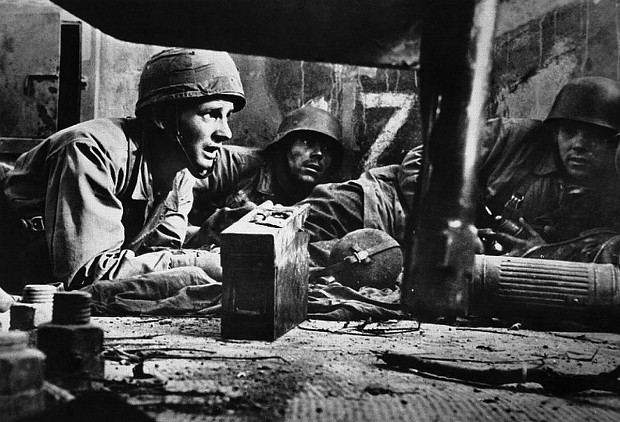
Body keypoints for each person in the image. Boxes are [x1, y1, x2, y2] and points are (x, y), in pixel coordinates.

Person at [302, 76, 620, 267]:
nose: (578, 145)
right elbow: (422, 160)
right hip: (391, 205)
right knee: (302, 227)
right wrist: (460, 222)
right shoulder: (514, 137)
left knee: (321, 265)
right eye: (569, 132)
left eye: (594, 137)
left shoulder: (607, 205)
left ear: (615, 144)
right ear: (555, 133)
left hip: (429, 262)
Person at [0, 48, 246, 293]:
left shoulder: (179, 170)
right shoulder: (92, 152)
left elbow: (157, 250)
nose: (226, 132)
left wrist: (220, 236)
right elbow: (88, 276)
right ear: (162, 117)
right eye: (211, 114)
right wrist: (197, 262)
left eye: (227, 116)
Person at [188, 106, 344, 245]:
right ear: (285, 145)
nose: (318, 154)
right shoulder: (232, 163)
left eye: (327, 148)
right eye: (307, 142)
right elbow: (169, 215)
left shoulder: (324, 200)